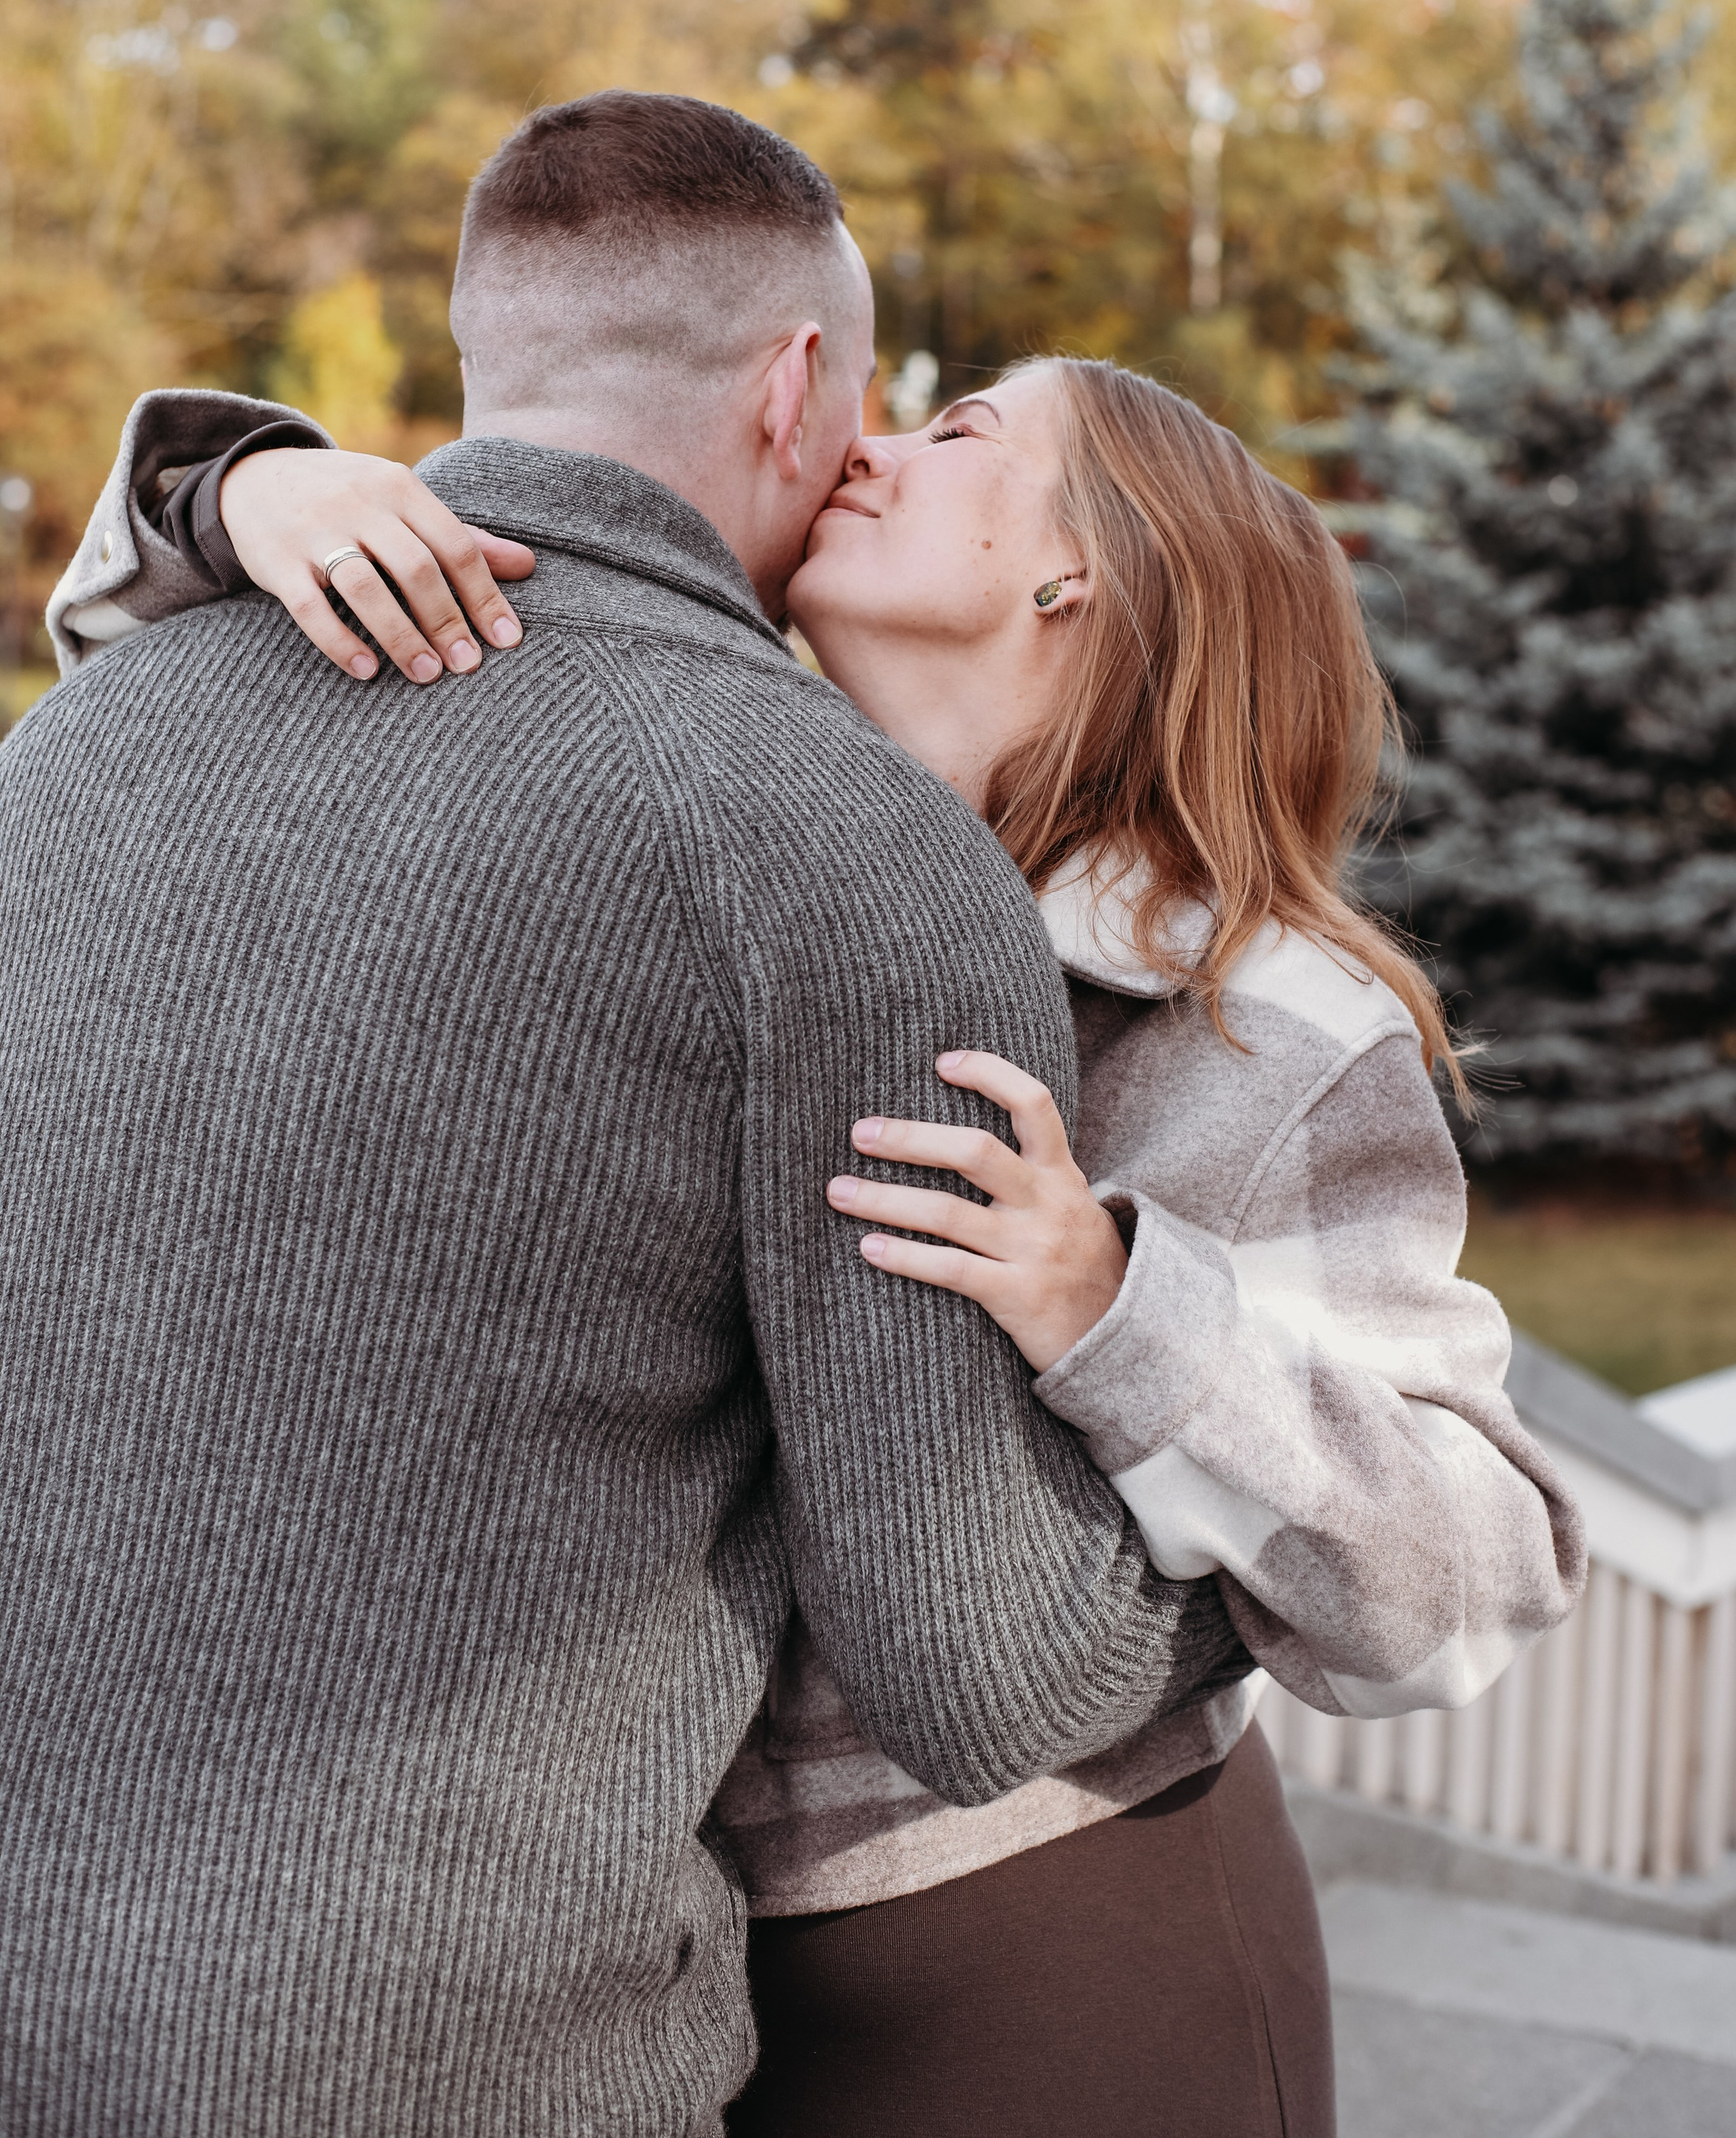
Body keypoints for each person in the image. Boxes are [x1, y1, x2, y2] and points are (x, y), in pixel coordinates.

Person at [60, 312, 1586, 2133]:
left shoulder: (1264, 1024)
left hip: (1055, 1949)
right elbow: (181, 772)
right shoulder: (715, 841)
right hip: (674, 1947)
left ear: (1083, 572)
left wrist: (1122, 1305)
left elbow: (1471, 1583)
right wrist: (241, 494)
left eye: (965, 434)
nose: (872, 445)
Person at [1, 95, 1251, 2138]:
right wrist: (1288, 1548)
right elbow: (982, 1670)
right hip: (437, 2057)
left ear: (484, 346)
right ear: (794, 387)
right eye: (877, 410)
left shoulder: (78, 736)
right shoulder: (837, 847)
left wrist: (226, 486)